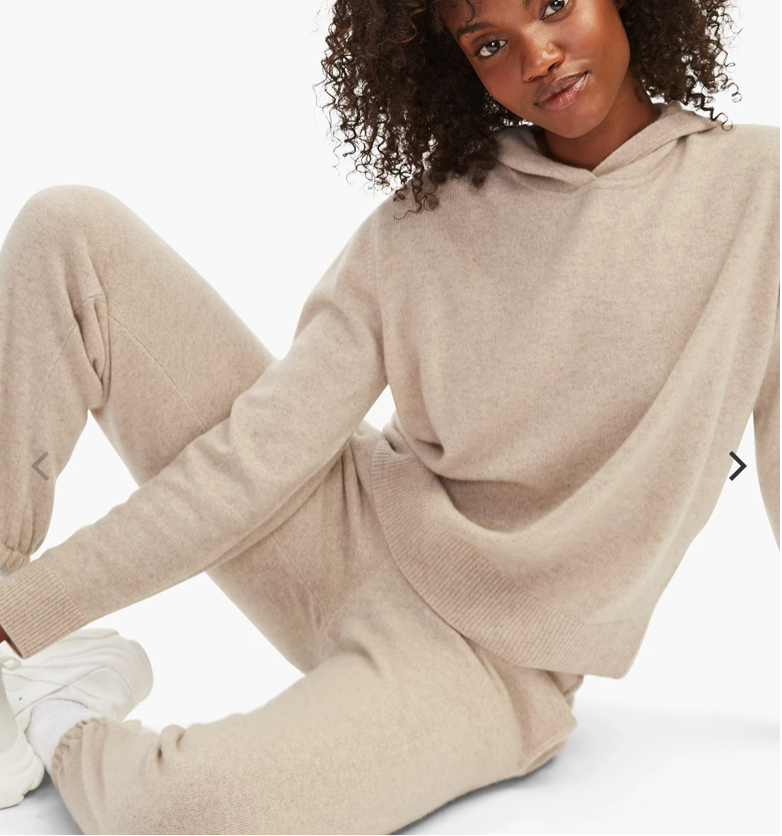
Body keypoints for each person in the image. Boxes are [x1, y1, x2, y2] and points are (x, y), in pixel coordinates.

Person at [0, 0, 778, 832]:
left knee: (186, 811)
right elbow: (262, 453)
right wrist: (24, 610)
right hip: (335, 536)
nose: (539, 56)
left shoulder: (757, 192)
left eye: (554, 4)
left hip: (487, 670)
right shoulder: (424, 221)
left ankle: (53, 707)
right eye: (490, 43)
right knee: (68, 228)